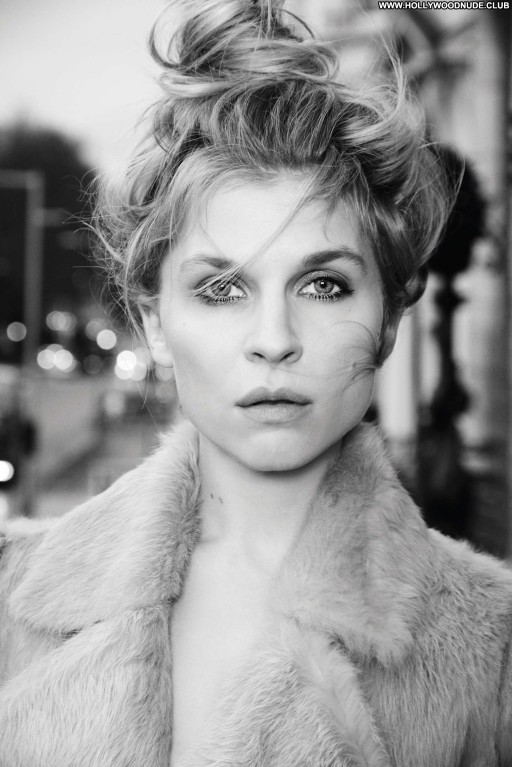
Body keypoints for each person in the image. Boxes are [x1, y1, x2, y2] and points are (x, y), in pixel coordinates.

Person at [1, 1, 511, 765]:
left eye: (324, 285)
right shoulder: (8, 597)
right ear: (156, 323)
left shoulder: (494, 654)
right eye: (223, 289)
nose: (274, 339)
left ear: (389, 318)